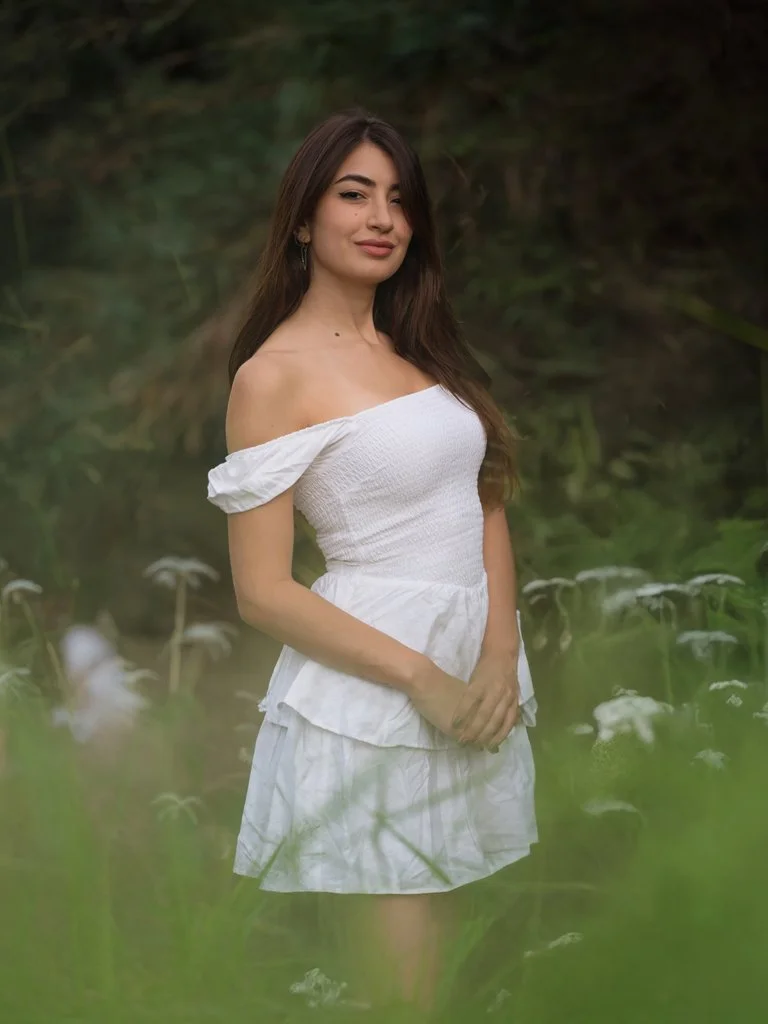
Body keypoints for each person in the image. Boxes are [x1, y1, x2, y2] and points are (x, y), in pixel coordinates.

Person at [207, 108, 538, 1016]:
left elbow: (483, 499)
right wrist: (424, 679)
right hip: (375, 691)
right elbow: (262, 592)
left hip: (472, 672)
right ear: (303, 220)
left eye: (398, 198)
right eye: (354, 195)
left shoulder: (421, 350)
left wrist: (499, 653)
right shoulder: (272, 375)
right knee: (405, 991)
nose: (383, 218)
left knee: (456, 961)